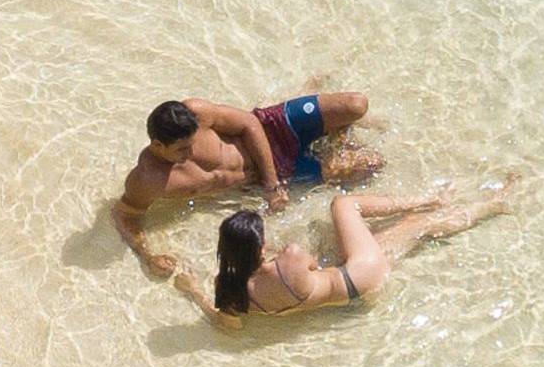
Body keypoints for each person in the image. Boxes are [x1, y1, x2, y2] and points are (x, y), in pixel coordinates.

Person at [113, 90, 378, 275]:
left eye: (192, 143)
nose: (190, 152)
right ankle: (333, 138)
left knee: (356, 105)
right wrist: (148, 256)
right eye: (182, 149)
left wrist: (272, 184)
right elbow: (125, 214)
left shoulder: (196, 112)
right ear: (158, 145)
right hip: (284, 172)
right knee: (371, 165)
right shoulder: (148, 180)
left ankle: (332, 128)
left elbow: (249, 123)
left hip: (273, 130)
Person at [174, 187, 507, 332]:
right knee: (348, 206)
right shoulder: (289, 258)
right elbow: (315, 262)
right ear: (260, 246)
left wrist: (192, 290)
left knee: (401, 232)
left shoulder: (231, 291)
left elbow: (228, 326)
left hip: (346, 298)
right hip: (360, 276)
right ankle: (460, 203)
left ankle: (462, 206)